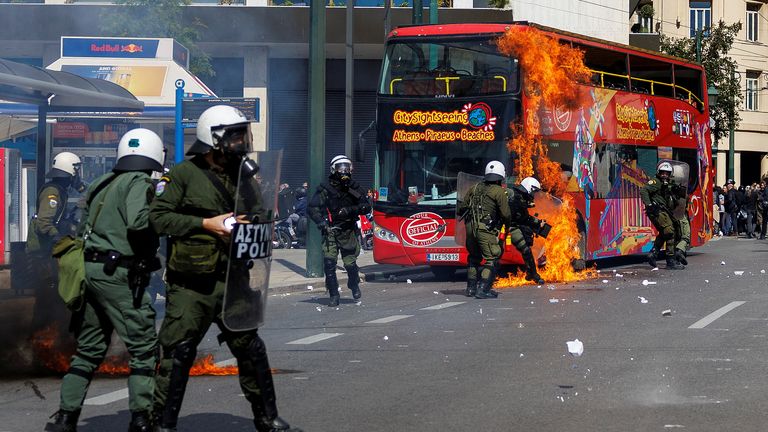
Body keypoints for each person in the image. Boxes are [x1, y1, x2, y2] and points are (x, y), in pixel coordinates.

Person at [149, 105, 301, 432]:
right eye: (233, 135)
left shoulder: (242, 176)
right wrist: (204, 223)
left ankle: (267, 418)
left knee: (251, 349)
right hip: (192, 283)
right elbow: (158, 218)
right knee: (178, 353)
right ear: (213, 137)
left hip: (234, 278)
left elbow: (260, 214)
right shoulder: (183, 175)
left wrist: (251, 221)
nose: (240, 142)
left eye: (240, 134)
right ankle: (162, 424)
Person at [44, 129, 165, 432]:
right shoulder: (139, 183)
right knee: (143, 348)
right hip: (119, 275)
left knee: (89, 349)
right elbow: (140, 223)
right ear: (154, 154)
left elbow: (84, 227)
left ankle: (65, 417)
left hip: (91, 272)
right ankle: (141, 419)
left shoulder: (101, 183)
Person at [27, 151, 86, 332]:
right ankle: (37, 336)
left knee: (53, 295)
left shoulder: (59, 190)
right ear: (70, 170)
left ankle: (47, 333)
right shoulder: (53, 192)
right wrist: (59, 238)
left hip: (47, 252)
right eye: (76, 170)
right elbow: (44, 222)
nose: (78, 174)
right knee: (48, 296)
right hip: (42, 254)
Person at [308, 154, 371, 307]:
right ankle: (333, 294)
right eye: (340, 168)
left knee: (350, 263)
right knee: (329, 263)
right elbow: (312, 208)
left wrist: (349, 210)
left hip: (347, 230)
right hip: (330, 230)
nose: (343, 171)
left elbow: (366, 206)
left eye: (346, 167)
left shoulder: (354, 187)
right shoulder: (325, 188)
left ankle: (354, 284)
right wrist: (321, 222)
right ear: (333, 169)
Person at [457, 161, 512, 299]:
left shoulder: (474, 188)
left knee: (474, 258)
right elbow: (506, 214)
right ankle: (483, 289)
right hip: (485, 229)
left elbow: (461, 208)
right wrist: (507, 226)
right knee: (491, 258)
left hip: (470, 228)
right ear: (501, 176)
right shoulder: (499, 191)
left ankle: (470, 288)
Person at [640, 162, 684, 270]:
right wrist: (649, 205)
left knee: (667, 232)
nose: (664, 175)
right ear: (659, 173)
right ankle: (670, 261)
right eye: (662, 173)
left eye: (667, 173)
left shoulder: (666, 185)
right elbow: (644, 190)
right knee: (670, 232)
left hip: (663, 211)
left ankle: (653, 254)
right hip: (657, 210)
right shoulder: (656, 182)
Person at [508, 176, 548, 285]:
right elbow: (524, 218)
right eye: (534, 191)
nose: (534, 195)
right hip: (504, 226)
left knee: (526, 250)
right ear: (530, 188)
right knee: (494, 253)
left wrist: (538, 222)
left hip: (511, 226)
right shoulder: (517, 197)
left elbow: (523, 217)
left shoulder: (520, 196)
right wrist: (537, 222)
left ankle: (533, 274)